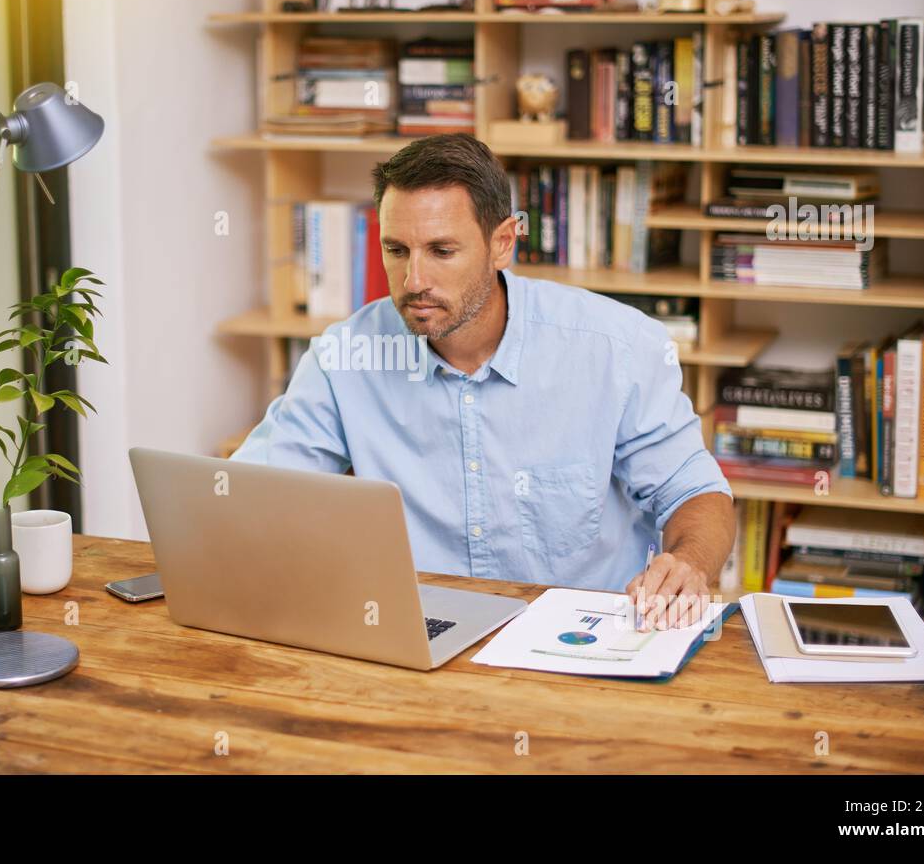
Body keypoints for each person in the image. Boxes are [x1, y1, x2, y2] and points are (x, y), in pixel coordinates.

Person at [233, 134, 735, 630]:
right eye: (396, 250)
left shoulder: (615, 349)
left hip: (582, 644)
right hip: (415, 637)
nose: (413, 281)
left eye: (442, 251)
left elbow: (696, 494)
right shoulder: (343, 358)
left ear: (502, 243)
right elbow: (250, 498)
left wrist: (689, 564)